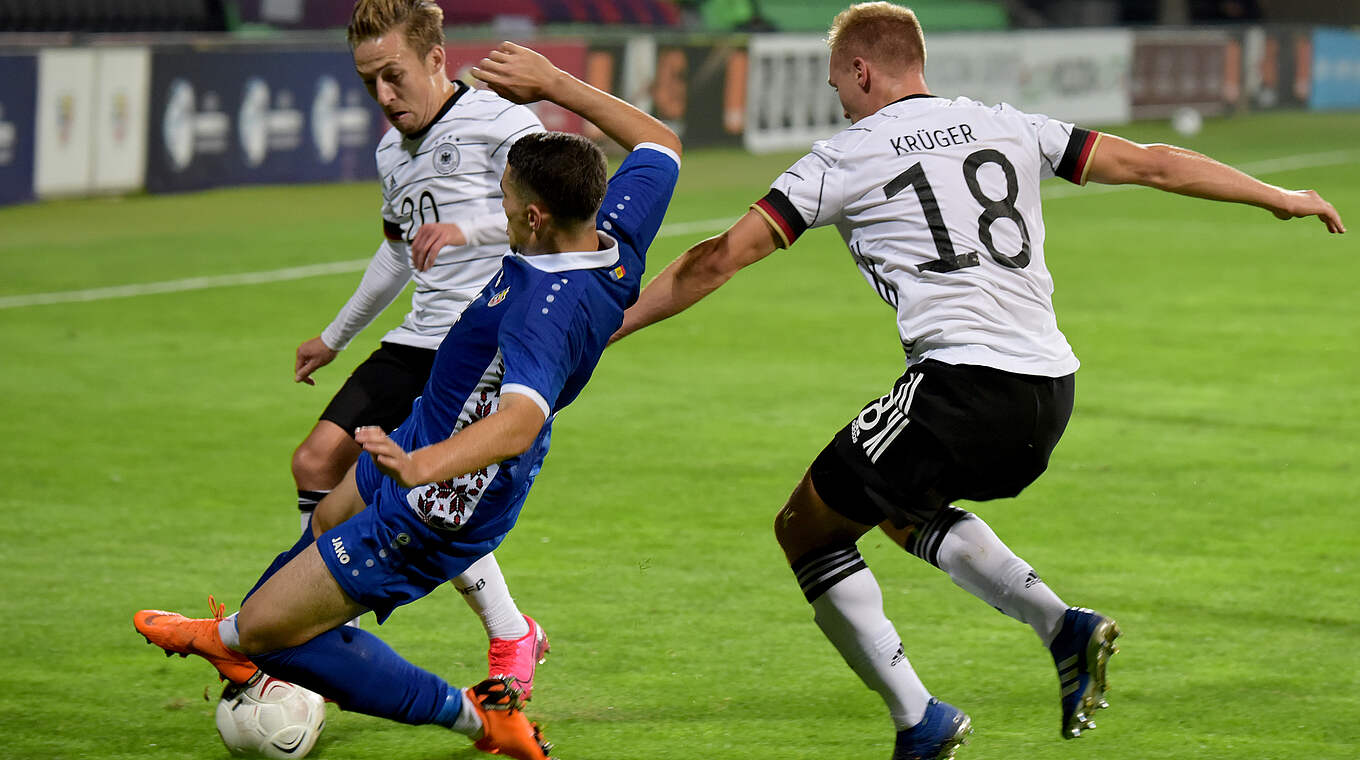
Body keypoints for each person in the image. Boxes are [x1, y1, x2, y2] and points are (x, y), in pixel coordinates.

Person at [610, 3, 1344, 759]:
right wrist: (1279, 196)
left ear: (861, 71)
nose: (839, 101)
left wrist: (612, 324)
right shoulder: (1010, 123)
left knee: (805, 528)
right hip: (1050, 393)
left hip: (962, 385)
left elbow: (716, 259)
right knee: (892, 502)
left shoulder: (842, 156)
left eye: (839, 85)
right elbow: (1153, 161)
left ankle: (920, 720)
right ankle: (1063, 629)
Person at [135, 42, 682, 760]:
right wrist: (554, 84)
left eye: (510, 206)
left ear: (538, 217)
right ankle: (247, 634)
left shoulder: (544, 310)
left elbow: (519, 422)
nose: (503, 215)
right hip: (430, 424)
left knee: (274, 634)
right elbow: (662, 142)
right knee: (325, 511)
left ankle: (478, 720)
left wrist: (424, 466)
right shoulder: (614, 228)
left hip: (441, 492)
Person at [290, 0, 549, 696]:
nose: (382, 95)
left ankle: (509, 634)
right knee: (314, 461)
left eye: (393, 75)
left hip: (479, 344)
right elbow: (396, 254)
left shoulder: (500, 120)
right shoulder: (388, 152)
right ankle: (313, 625)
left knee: (425, 493)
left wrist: (471, 231)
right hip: (415, 338)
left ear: (436, 59)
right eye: (367, 80)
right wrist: (334, 337)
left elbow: (555, 208)